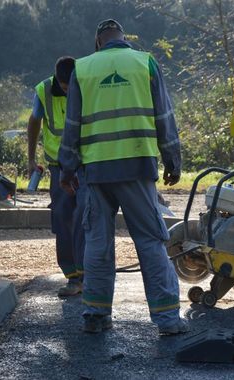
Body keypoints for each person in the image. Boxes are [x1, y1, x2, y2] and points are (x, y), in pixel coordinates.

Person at [58, 19, 188, 335]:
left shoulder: (83, 69)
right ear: (124, 40)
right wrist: (173, 160)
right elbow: (164, 116)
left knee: (98, 242)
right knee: (151, 240)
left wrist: (67, 168)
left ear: (98, 42)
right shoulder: (145, 62)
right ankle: (168, 320)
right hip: (137, 168)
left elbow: (72, 124)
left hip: (96, 172)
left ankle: (96, 314)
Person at [27, 57, 86, 297]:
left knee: (87, 217)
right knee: (63, 219)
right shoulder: (44, 91)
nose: (69, 90)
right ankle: (73, 277)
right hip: (58, 165)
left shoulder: (86, 83)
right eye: (64, 87)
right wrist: (31, 159)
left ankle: (88, 275)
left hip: (85, 164)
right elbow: (34, 122)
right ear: (57, 81)